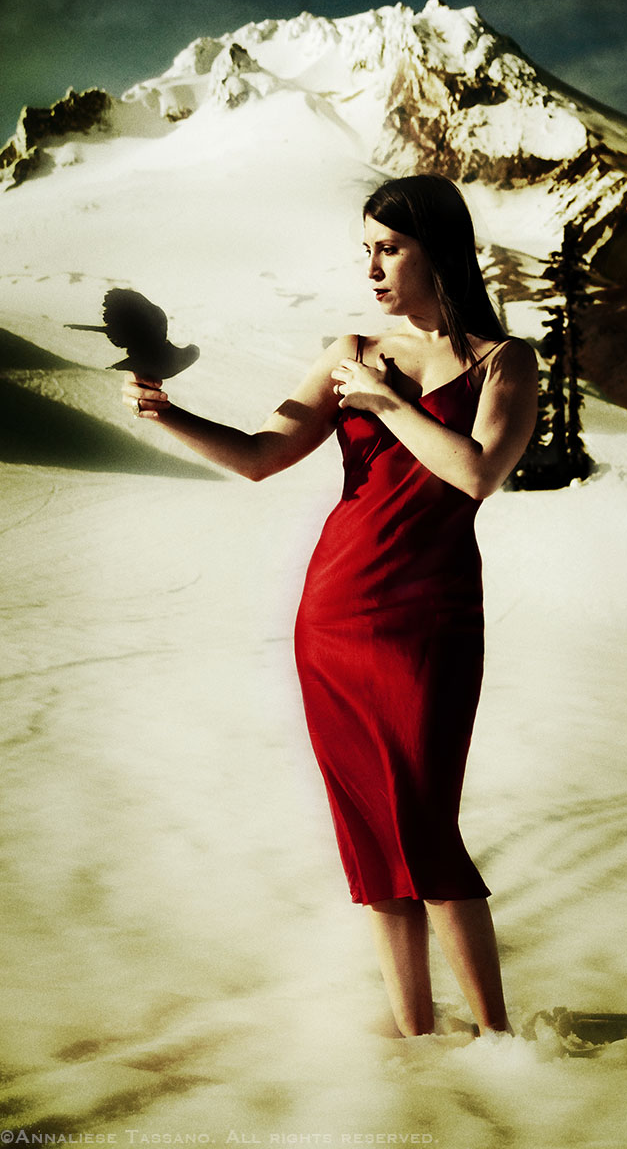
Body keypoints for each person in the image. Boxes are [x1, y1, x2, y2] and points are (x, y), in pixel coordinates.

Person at [122, 174, 539, 1039]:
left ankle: (500, 1045)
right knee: (372, 838)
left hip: (431, 617)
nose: (374, 268)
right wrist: (171, 414)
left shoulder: (504, 360)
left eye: (390, 248)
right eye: (367, 251)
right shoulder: (350, 348)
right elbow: (261, 455)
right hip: (334, 614)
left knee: (423, 822)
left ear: (439, 250)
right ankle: (419, 1041)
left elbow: (475, 474)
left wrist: (386, 403)